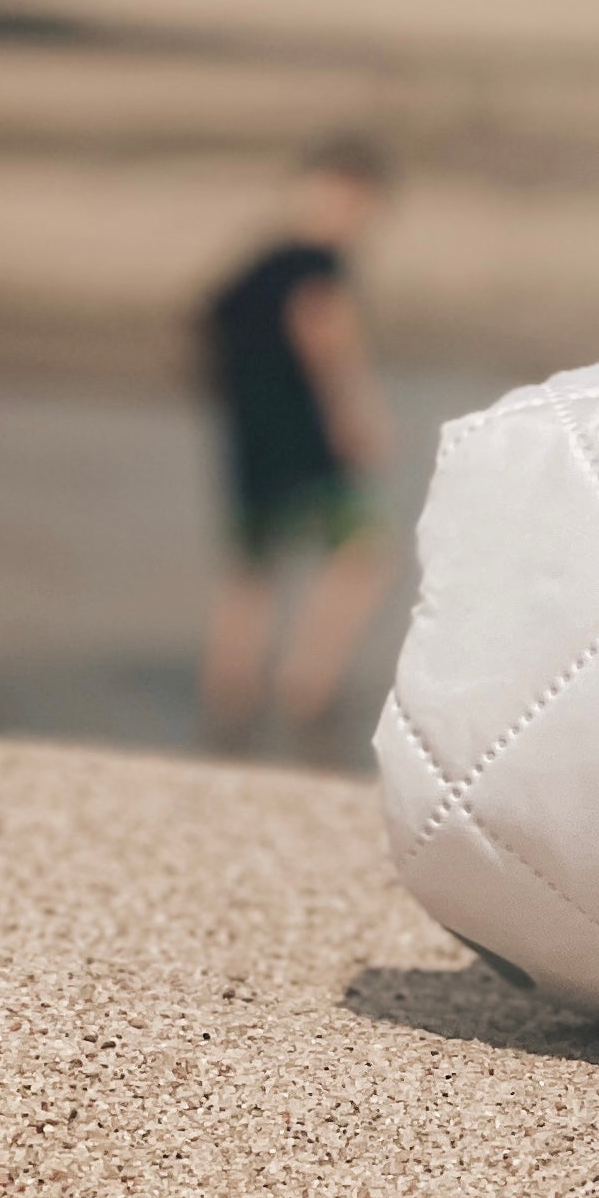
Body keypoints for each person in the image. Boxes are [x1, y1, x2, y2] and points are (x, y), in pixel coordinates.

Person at [196, 135, 398, 752]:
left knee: (252, 567)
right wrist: (355, 412)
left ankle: (229, 697)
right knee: (365, 554)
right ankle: (305, 684)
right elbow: (323, 333)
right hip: (305, 439)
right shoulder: (319, 266)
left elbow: (206, 329)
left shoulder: (255, 263)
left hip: (248, 437)